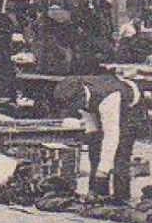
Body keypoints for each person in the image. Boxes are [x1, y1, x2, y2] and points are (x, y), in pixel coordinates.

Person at [54, 73, 145, 202]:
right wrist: (93, 140)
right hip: (102, 105)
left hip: (129, 108)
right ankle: (99, 194)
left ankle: (121, 198)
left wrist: (103, 169)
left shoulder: (108, 98)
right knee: (94, 148)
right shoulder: (77, 94)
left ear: (82, 97)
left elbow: (111, 136)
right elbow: (91, 123)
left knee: (121, 154)